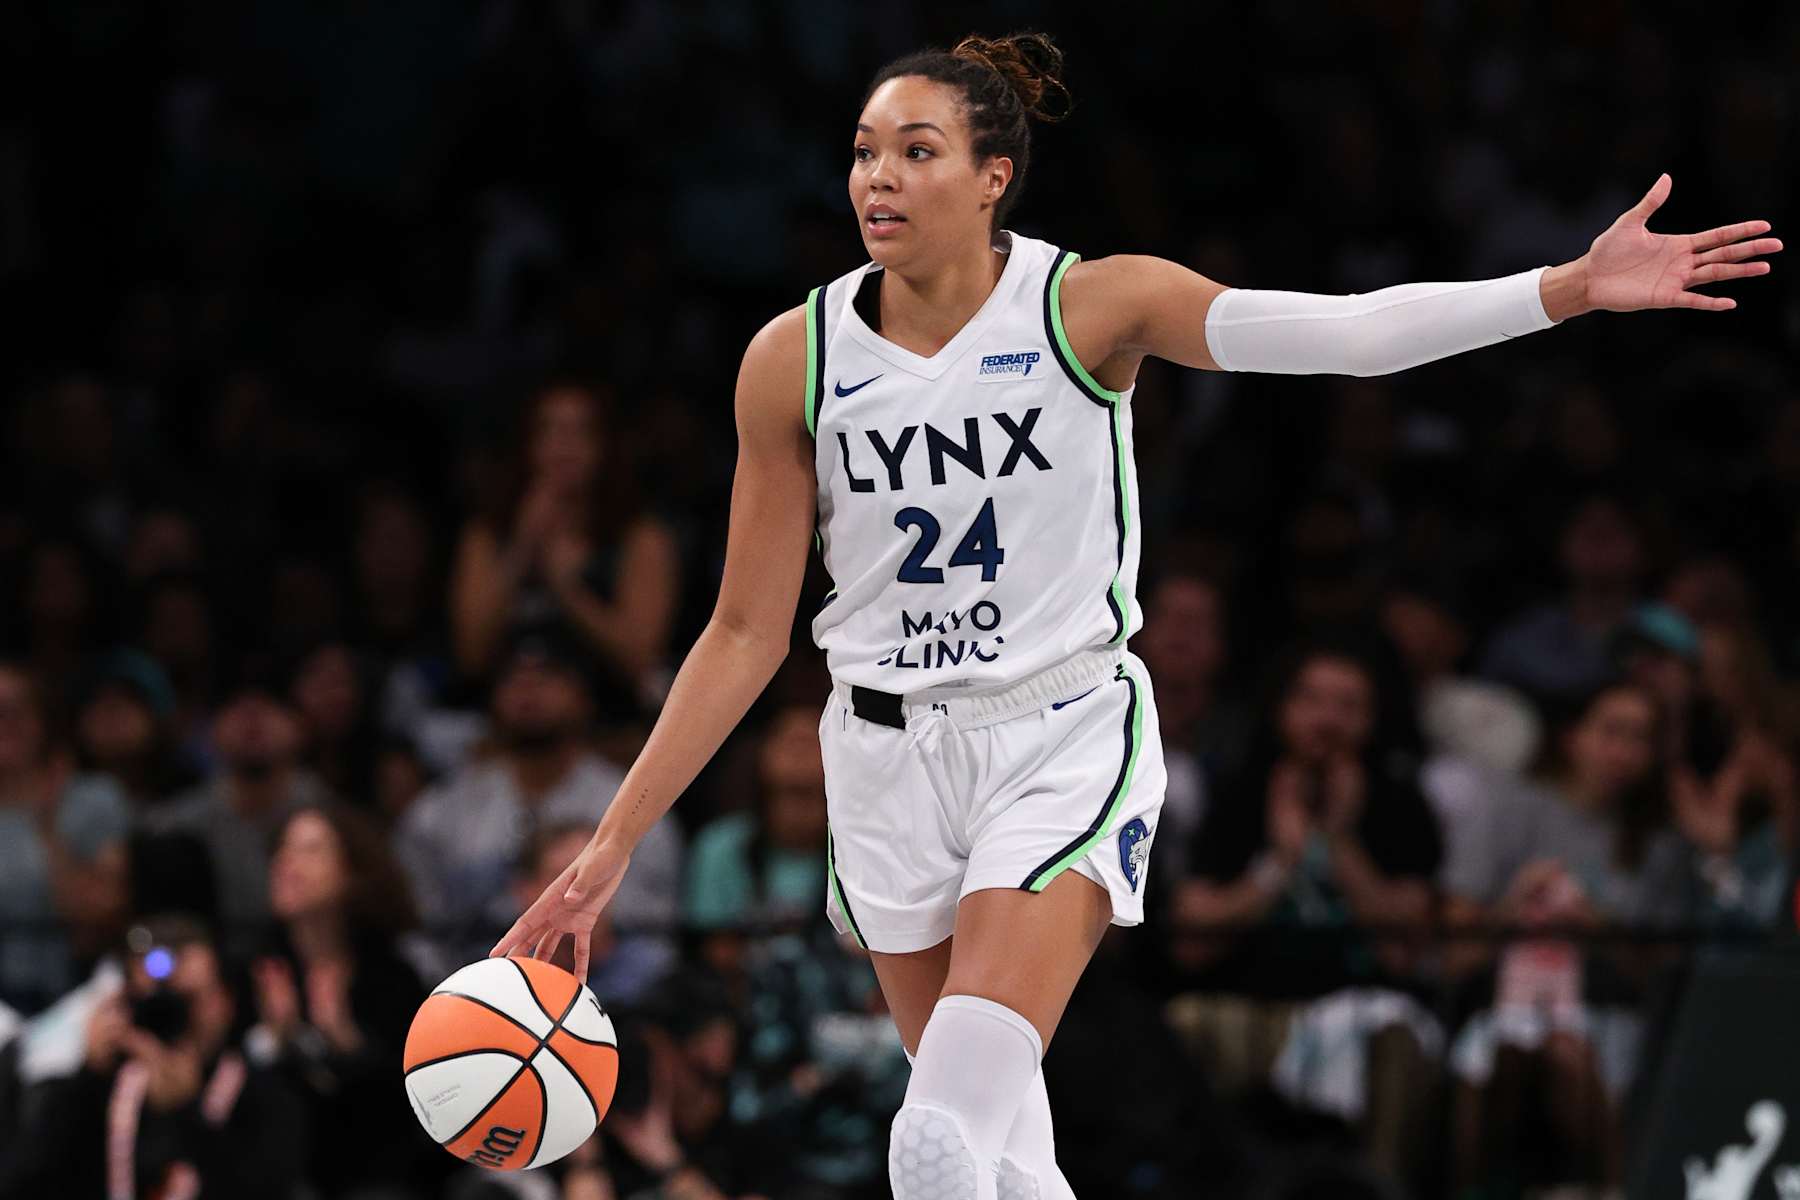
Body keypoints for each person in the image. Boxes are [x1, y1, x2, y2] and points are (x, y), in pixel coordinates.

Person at [496, 30, 1780, 1200]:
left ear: (994, 176)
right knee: (1002, 1156)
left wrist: (1560, 288)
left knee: (934, 1142)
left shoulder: (1087, 306)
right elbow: (740, 631)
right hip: (881, 761)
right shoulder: (796, 356)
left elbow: (1342, 335)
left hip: (1056, 741)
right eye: (864, 151)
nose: (876, 178)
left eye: (917, 150)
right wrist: (608, 849)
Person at [398, 629, 682, 962]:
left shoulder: (635, 801)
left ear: (583, 696)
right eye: (513, 679)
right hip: (475, 979)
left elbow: (656, 929)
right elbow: (418, 923)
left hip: (604, 981)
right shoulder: (442, 810)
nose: (528, 690)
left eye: (547, 677)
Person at [0, 914, 309, 1200]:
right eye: (155, 1000)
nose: (171, 1014)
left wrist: (187, 1112)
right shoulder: (103, 1088)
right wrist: (88, 1075)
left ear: (226, 1002)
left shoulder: (261, 1093)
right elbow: (26, 1183)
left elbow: (263, 1186)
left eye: (188, 1000)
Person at [451, 381, 681, 726]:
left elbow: (642, 661)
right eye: (550, 431)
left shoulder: (640, 536)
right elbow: (470, 654)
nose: (563, 446)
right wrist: (522, 550)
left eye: (579, 431)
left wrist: (566, 587)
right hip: (505, 730)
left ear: (604, 446)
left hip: (609, 727)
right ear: (527, 444)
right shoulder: (487, 532)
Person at [249, 803, 445, 1199]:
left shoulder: (393, 973)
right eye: (283, 849)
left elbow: (417, 1108)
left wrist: (346, 1043)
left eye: (312, 850)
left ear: (353, 873)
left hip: (373, 1173)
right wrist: (273, 1040)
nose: (288, 862)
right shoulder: (252, 966)